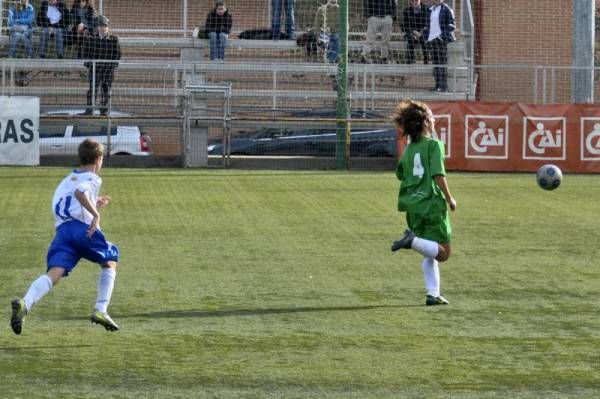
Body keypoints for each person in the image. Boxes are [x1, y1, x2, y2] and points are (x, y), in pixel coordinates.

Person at [10, 139, 120, 335]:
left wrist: (95, 201)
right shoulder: (94, 178)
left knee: (54, 273)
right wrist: (96, 214)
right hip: (82, 230)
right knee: (110, 260)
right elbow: (80, 193)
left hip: (63, 233)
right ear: (98, 159)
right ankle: (101, 310)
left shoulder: (69, 178)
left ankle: (25, 303)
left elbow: (71, 196)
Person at [390, 100, 456, 306]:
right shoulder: (434, 145)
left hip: (413, 206)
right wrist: (449, 198)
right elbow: (438, 174)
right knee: (443, 253)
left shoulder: (409, 149)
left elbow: (400, 173)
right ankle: (412, 241)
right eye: (432, 116)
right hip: (432, 204)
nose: (435, 119)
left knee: (431, 251)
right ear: (426, 122)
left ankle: (433, 293)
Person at [82, 15, 121, 115]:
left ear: (108, 27)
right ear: (97, 27)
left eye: (104, 26)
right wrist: (90, 65)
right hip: (95, 69)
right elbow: (85, 53)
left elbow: (117, 54)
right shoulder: (91, 39)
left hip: (108, 70)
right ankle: (90, 109)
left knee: (105, 90)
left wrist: (111, 67)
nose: (102, 28)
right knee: (92, 90)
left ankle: (104, 110)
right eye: (100, 26)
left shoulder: (114, 39)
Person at [424, 0, 455, 92]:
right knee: (436, 64)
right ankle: (437, 85)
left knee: (442, 63)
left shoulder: (447, 9)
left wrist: (441, 36)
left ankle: (443, 86)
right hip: (432, 41)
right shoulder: (430, 10)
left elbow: (452, 26)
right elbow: (427, 26)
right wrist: (426, 38)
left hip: (441, 41)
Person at [402, 0, 429, 64]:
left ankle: (426, 59)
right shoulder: (406, 11)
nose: (414, 2)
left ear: (420, 0)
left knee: (424, 39)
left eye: (416, 0)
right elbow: (405, 25)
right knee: (410, 39)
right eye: (412, 0)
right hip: (412, 32)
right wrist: (414, 31)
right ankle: (411, 60)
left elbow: (428, 24)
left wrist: (421, 32)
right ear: (410, 2)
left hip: (423, 32)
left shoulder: (426, 9)